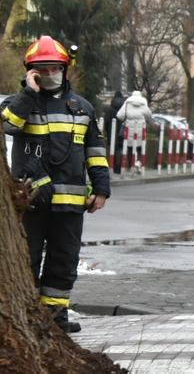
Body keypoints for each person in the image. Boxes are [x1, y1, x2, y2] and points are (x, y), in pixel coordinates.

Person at [0, 35, 111, 333]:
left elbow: (95, 151)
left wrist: (101, 189)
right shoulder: (20, 103)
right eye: (42, 69)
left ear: (64, 69)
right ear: (31, 72)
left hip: (71, 204)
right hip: (34, 200)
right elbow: (8, 125)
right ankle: (29, 315)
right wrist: (29, 93)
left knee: (63, 261)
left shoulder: (83, 108)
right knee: (29, 258)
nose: (49, 74)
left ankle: (55, 317)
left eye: (54, 69)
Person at [115, 90, 155, 171]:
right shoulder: (143, 102)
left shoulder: (128, 101)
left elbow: (119, 115)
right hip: (141, 128)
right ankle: (138, 162)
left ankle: (130, 166)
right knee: (140, 147)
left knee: (129, 147)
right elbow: (149, 115)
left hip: (129, 128)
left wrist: (126, 118)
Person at [103, 91, 125, 174]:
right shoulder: (124, 109)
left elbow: (106, 121)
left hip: (112, 132)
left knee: (113, 149)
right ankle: (120, 167)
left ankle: (112, 166)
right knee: (121, 148)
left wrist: (107, 131)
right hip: (122, 132)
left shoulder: (110, 110)